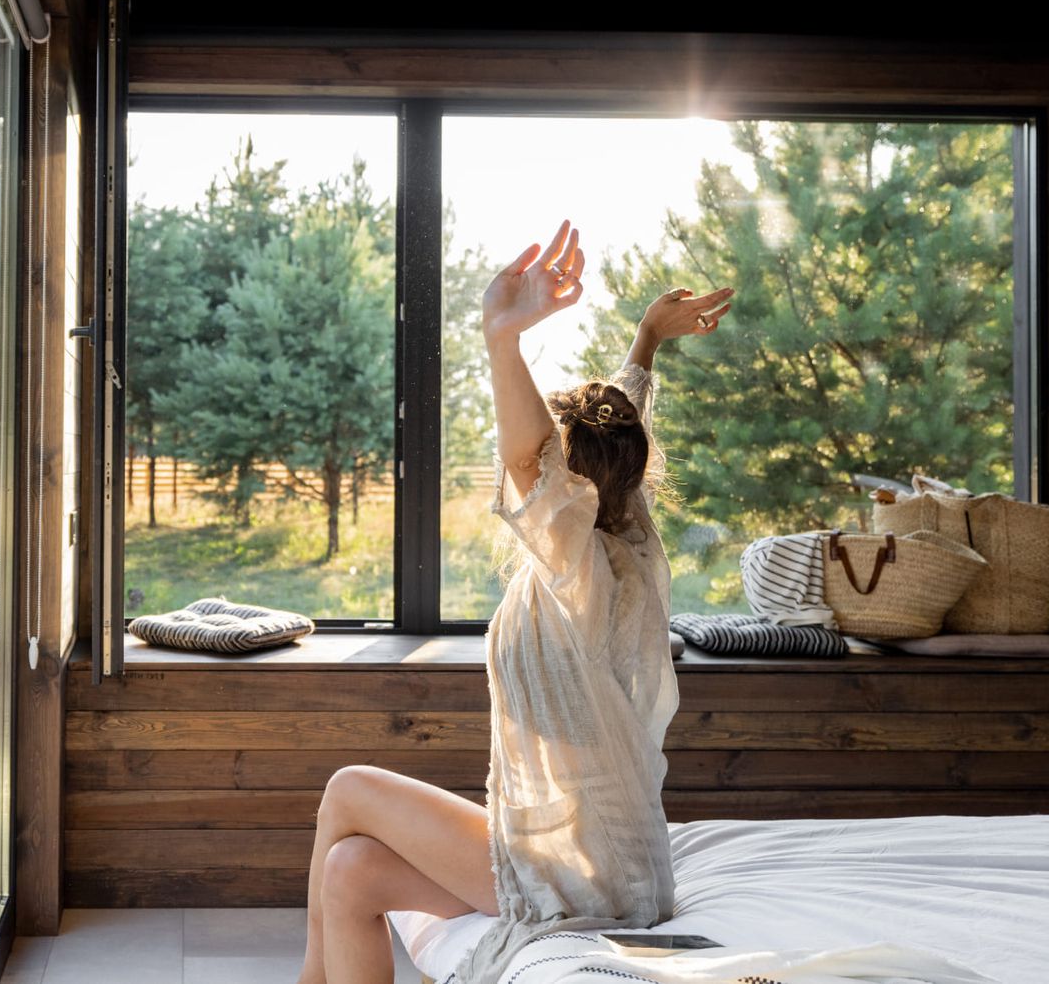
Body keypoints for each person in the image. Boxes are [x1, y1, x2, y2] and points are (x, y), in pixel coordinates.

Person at [295, 220, 731, 984]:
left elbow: (533, 458)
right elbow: (620, 421)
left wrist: (503, 339)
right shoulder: (627, 528)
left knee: (347, 789)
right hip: (611, 860)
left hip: (583, 873)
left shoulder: (576, 565)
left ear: (565, 485)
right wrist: (646, 340)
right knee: (352, 871)